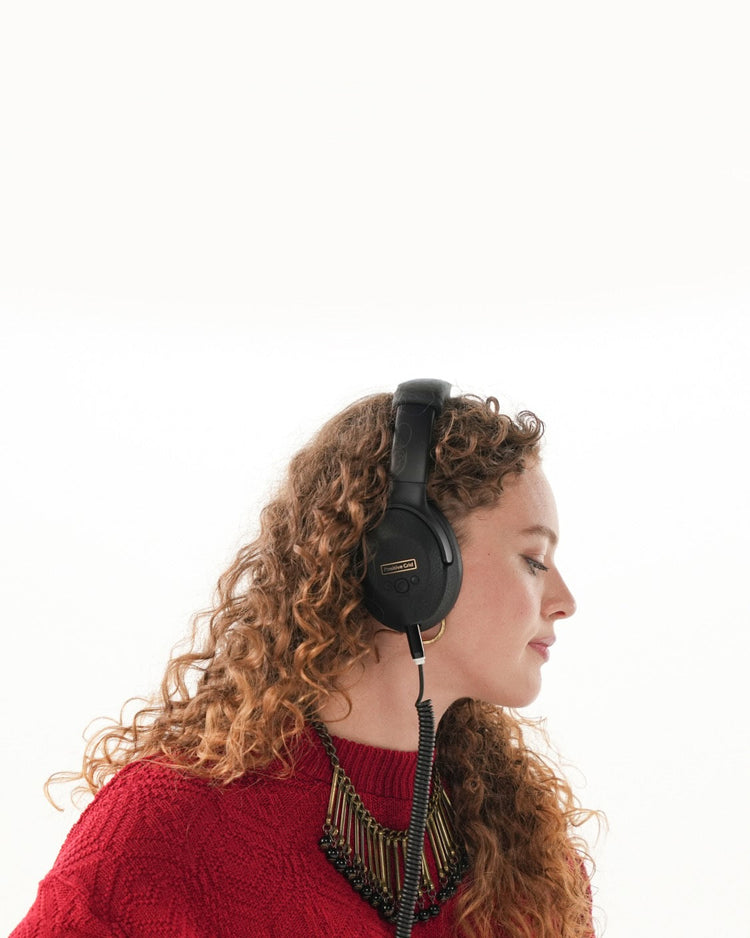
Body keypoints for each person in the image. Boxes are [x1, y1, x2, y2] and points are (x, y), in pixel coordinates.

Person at [12, 381, 599, 938]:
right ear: (411, 564)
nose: (565, 601)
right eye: (534, 559)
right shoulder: (168, 827)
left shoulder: (532, 862)